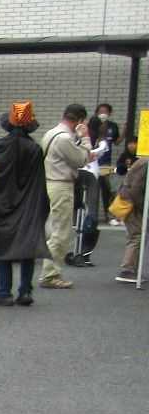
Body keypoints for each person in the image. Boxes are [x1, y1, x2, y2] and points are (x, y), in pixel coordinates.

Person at [0, 101, 49, 308]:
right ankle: (25, 291)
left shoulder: (0, 146)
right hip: (28, 204)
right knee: (27, 245)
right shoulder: (34, 149)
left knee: (1, 244)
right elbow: (39, 181)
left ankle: (3, 291)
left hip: (2, 204)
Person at [39, 103, 104, 289]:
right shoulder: (65, 138)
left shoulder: (50, 133)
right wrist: (85, 139)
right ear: (80, 120)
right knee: (61, 231)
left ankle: (49, 272)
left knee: (53, 229)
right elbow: (81, 159)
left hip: (49, 182)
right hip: (61, 186)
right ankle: (50, 275)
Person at [117, 150, 145, 283]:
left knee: (136, 235)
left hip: (129, 199)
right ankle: (127, 270)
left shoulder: (143, 161)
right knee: (136, 235)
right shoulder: (146, 163)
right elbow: (136, 188)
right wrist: (142, 207)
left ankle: (132, 269)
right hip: (132, 203)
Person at [89, 102, 121, 204]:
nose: (103, 114)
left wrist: (124, 130)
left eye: (105, 112)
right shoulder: (91, 125)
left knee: (106, 188)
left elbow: (116, 141)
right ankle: (91, 215)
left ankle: (108, 212)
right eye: (100, 112)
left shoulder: (113, 126)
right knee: (92, 187)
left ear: (109, 113)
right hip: (91, 161)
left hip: (105, 162)